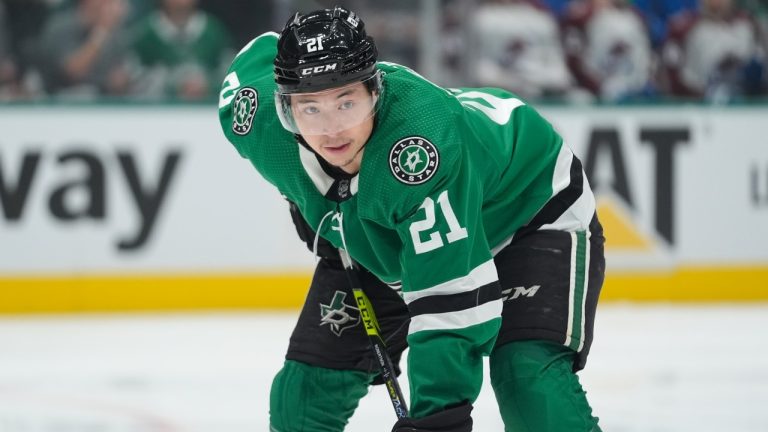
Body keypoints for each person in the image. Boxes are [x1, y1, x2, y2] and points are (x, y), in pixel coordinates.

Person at [218, 7, 605, 432]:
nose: (331, 131)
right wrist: (305, 202)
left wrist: (438, 418)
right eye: (310, 109)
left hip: (526, 211)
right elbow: (258, 52)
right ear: (284, 108)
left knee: (528, 379)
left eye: (347, 103)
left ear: (374, 92)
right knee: (306, 397)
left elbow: (450, 304)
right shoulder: (255, 118)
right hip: (392, 230)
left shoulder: (419, 153)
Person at [131, 0, 234, 101]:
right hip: (159, 111)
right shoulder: (144, 33)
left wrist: (208, 86)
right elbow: (134, 80)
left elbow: (232, 73)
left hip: (207, 110)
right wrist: (173, 86)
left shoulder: (214, 30)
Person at [36, 0, 133, 98]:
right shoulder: (61, 27)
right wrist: (102, 31)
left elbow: (117, 75)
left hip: (103, 103)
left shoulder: (114, 31)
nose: (109, 4)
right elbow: (73, 71)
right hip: (61, 103)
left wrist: (121, 80)